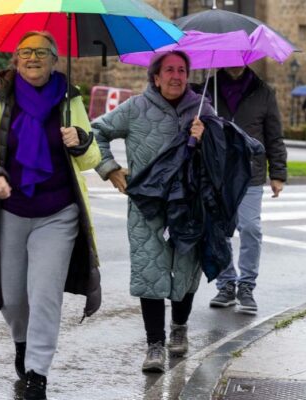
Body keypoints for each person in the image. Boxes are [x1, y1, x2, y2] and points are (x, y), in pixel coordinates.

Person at [0, 31, 101, 400]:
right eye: (26, 52)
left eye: (42, 52)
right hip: (10, 210)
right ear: (15, 58)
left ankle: (37, 373)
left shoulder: (70, 99)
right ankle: (22, 342)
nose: (33, 58)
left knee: (45, 294)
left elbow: (91, 159)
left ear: (54, 60)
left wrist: (82, 140)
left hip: (58, 214)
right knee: (13, 297)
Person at [92, 51, 212, 373]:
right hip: (148, 205)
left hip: (189, 205)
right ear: (155, 77)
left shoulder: (203, 109)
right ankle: (154, 345)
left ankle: (180, 326)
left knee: (186, 271)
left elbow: (223, 156)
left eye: (182, 70)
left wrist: (206, 138)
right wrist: (110, 168)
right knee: (151, 271)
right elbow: (97, 131)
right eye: (169, 70)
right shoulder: (135, 108)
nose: (176, 76)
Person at [199, 66, 287, 315]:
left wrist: (278, 173)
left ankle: (246, 286)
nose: (235, 63)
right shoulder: (209, 89)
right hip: (217, 172)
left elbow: (274, 135)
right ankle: (226, 284)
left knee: (250, 228)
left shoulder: (264, 92)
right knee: (218, 230)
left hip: (251, 173)